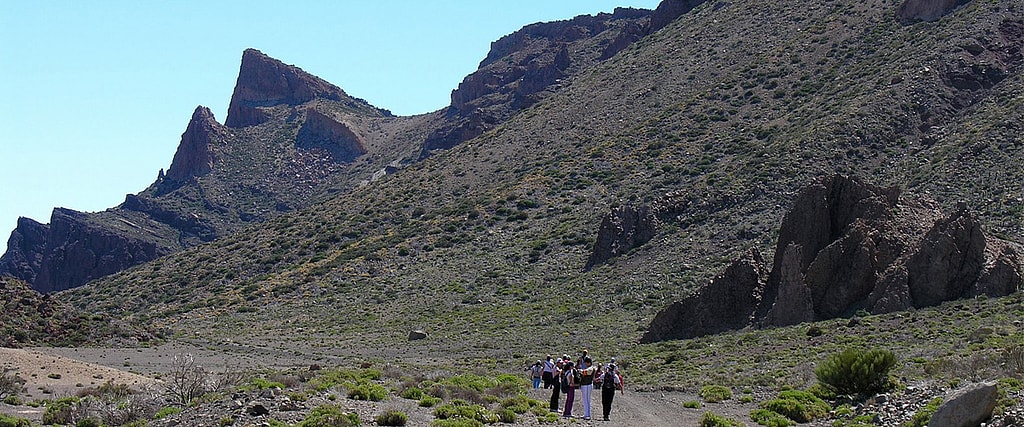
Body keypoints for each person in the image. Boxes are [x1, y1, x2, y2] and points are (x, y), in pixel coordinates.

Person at [578, 356, 598, 420]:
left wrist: (580, 371)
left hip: (587, 385)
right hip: (586, 385)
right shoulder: (590, 368)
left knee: (586, 400)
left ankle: (587, 415)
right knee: (586, 400)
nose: (585, 364)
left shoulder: (590, 368)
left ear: (589, 363)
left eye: (586, 363)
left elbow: (586, 372)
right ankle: (586, 414)